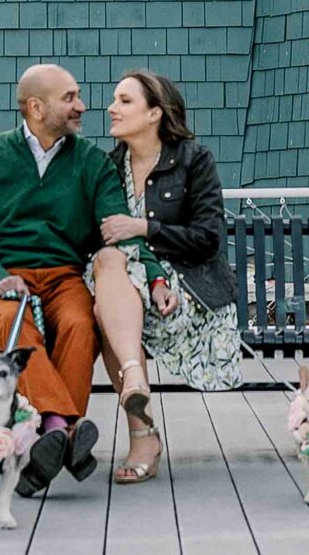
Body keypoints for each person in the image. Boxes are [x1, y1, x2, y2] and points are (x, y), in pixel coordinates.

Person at [0, 62, 126, 495]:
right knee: (15, 323)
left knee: (82, 325)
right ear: (35, 106)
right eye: (70, 98)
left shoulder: (92, 163)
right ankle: (63, 427)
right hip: (3, 279)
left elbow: (115, 229)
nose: (82, 106)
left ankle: (51, 432)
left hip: (65, 276)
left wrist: (145, 275)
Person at [88, 69, 241, 484]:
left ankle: (143, 433)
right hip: (126, 289)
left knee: (107, 306)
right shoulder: (108, 166)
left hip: (185, 295)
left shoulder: (193, 159)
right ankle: (135, 383)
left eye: (124, 101)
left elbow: (208, 239)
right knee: (107, 271)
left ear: (155, 112)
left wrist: (144, 229)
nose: (111, 108)